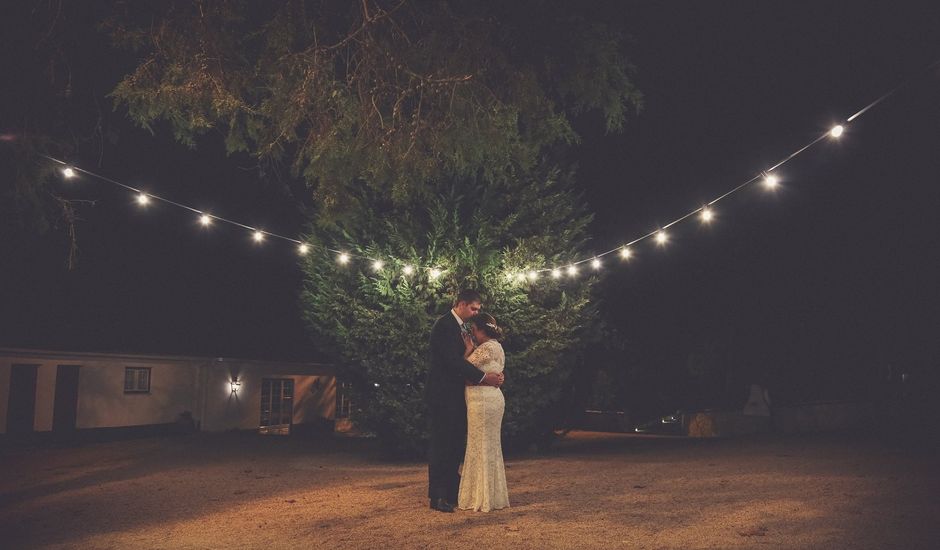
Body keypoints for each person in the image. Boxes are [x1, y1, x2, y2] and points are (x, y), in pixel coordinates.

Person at [426, 290, 503, 513]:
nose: (476, 313)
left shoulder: (461, 328)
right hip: (442, 395)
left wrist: (492, 372)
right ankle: (437, 496)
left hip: (458, 395)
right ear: (461, 304)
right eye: (473, 308)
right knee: (441, 445)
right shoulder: (444, 325)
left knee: (454, 444)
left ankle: (451, 491)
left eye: (478, 309)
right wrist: (484, 377)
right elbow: (451, 362)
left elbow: (465, 359)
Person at [458, 312, 509, 512]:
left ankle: (481, 497)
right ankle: (491, 495)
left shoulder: (486, 348)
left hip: (483, 402)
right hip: (492, 399)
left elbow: (462, 369)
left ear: (480, 330)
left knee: (480, 445)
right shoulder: (498, 347)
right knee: (489, 446)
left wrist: (469, 349)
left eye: (473, 331)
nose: (472, 335)